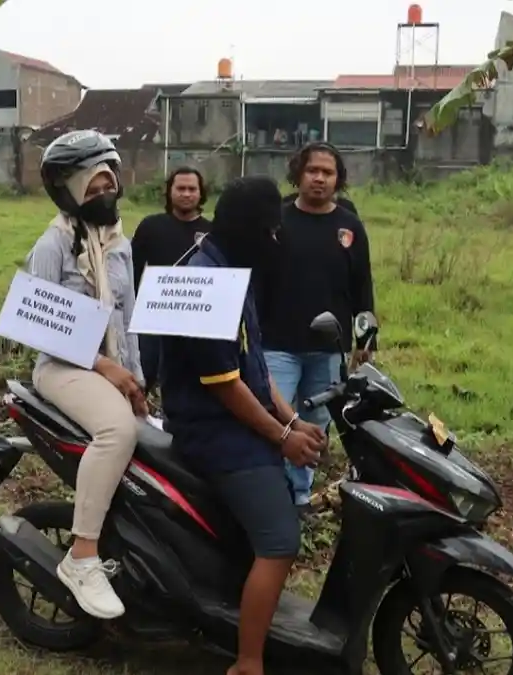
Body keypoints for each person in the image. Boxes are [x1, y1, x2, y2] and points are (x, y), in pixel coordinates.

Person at [160, 176, 327, 675]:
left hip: (234, 419)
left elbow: (252, 367)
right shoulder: (207, 283)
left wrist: (292, 418)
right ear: (249, 227)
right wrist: (282, 437)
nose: (275, 240)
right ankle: (248, 662)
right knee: (280, 541)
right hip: (214, 431)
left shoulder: (232, 268)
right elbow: (224, 385)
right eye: (269, 230)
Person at [25, 130, 148, 620]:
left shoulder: (120, 244)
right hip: (61, 367)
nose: (104, 194)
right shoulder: (53, 244)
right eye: (91, 188)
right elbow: (39, 327)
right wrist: (104, 367)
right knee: (117, 431)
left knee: (151, 439)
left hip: (112, 370)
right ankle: (81, 556)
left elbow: (127, 320)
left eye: (108, 184)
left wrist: (137, 382)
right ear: (70, 192)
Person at [262, 142, 375, 510]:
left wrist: (366, 338)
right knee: (276, 419)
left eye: (328, 173)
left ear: (338, 180)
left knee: (315, 424)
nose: (319, 178)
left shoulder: (350, 226)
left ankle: (299, 496)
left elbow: (362, 285)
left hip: (328, 348)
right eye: (313, 171)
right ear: (299, 174)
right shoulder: (276, 222)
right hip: (276, 343)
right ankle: (270, 496)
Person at [130, 167, 212, 392]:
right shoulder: (150, 226)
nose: (186, 194)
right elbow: (133, 271)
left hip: (194, 321)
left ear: (201, 193)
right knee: (142, 378)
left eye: (192, 189)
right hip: (153, 320)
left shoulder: (211, 232)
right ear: (169, 191)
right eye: (181, 188)